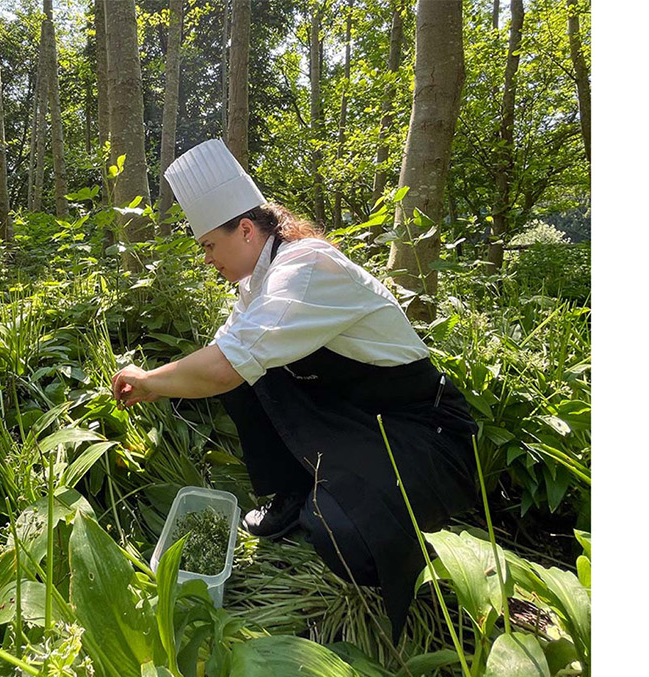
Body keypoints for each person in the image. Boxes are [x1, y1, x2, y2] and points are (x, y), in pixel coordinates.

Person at [109, 139, 478, 637]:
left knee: (339, 533)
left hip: (420, 431)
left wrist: (149, 381)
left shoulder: (305, 268)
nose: (207, 259)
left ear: (244, 230)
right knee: (244, 378)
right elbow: (226, 357)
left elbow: (222, 366)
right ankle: (288, 494)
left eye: (209, 246)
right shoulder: (256, 286)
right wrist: (161, 384)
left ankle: (413, 535)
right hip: (355, 415)